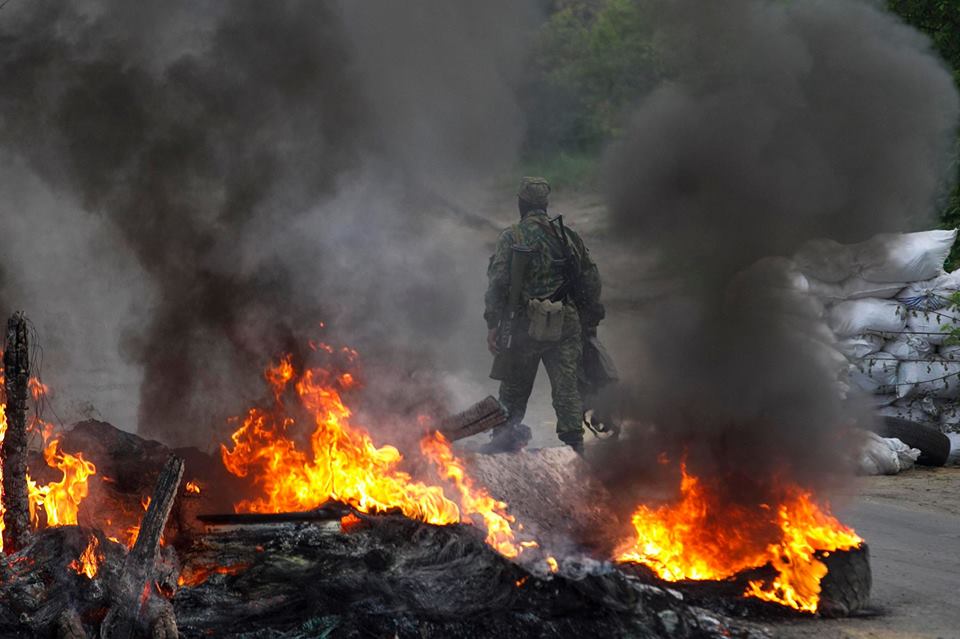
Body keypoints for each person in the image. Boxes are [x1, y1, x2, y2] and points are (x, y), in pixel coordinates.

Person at [483, 177, 604, 454]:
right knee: (567, 386)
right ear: (545, 204)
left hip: (525, 323)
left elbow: (498, 282)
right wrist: (589, 318)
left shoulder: (512, 236)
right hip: (564, 321)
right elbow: (591, 279)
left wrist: (493, 323)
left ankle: (503, 440)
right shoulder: (567, 236)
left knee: (514, 386)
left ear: (521, 203)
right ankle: (575, 445)